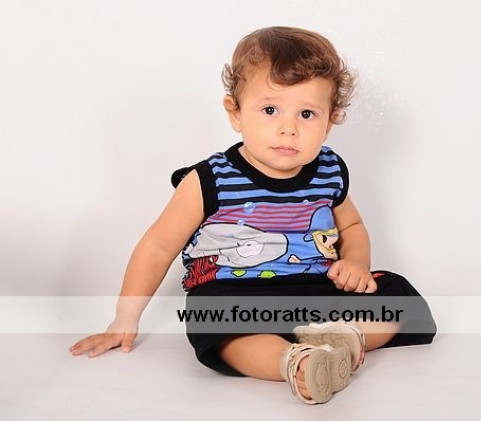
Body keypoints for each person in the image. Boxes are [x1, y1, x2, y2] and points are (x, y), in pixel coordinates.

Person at [70, 26, 436, 404]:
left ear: (329, 122)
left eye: (307, 113)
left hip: (317, 289)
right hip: (236, 294)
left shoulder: (329, 171)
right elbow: (158, 247)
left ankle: (345, 338)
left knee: (396, 293)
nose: (288, 128)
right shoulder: (210, 180)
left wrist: (357, 262)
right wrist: (125, 317)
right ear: (236, 113)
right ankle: (296, 363)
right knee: (219, 326)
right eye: (270, 110)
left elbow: (352, 225)